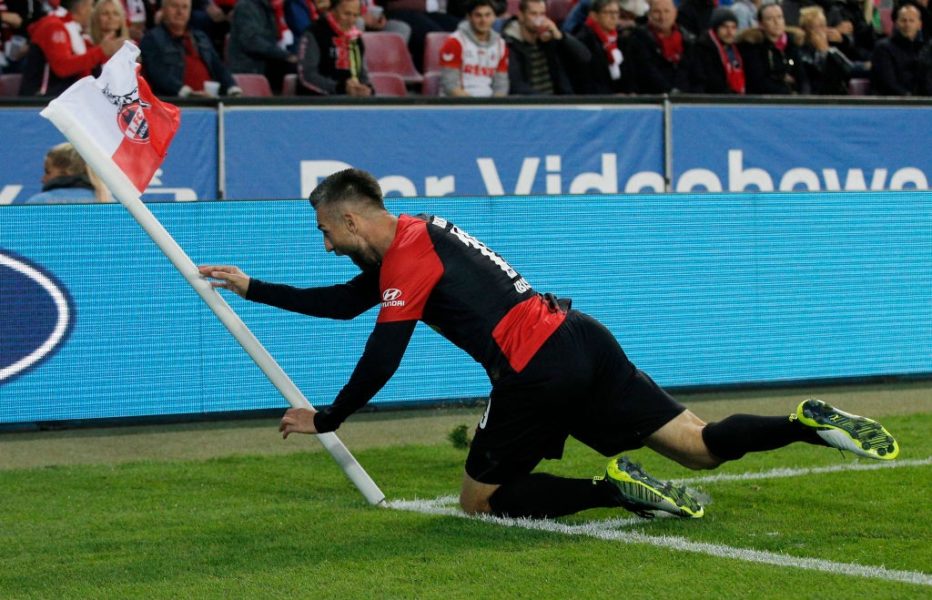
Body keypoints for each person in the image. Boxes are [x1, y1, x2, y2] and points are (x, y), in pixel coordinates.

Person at [199, 168, 900, 521]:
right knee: (699, 443)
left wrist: (329, 417)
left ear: (351, 217)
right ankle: (802, 423)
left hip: (534, 368)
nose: (324, 245)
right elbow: (344, 304)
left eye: (325, 232)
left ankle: (612, 486)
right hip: (581, 337)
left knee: (479, 500)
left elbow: (382, 353)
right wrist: (252, 286)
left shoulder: (406, 261)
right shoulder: (416, 236)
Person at [19, 0, 123, 96]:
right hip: (38, 102)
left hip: (61, 101)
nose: (92, 11)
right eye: (91, 6)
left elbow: (87, 63)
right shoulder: (53, 26)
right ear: (81, 8)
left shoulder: (73, 29)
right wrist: (101, 51)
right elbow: (62, 67)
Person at [139, 0, 241, 97]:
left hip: (210, 101)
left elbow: (219, 67)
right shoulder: (152, 39)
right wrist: (186, 92)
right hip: (175, 105)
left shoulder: (201, 37)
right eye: (174, 6)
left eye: (185, 7)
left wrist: (232, 87)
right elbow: (158, 74)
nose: (180, 12)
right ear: (163, 10)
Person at [502, 0, 590, 95]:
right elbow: (517, 85)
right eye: (533, 14)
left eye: (542, 14)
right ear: (521, 16)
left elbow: (585, 58)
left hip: (559, 101)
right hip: (532, 104)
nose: (539, 19)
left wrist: (560, 36)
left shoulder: (549, 39)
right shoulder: (509, 42)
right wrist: (547, 102)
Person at [295, 0, 373, 95]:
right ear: (332, 11)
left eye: (355, 15)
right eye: (346, 14)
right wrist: (339, 88)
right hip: (317, 102)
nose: (351, 20)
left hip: (349, 100)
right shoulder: (314, 33)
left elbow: (362, 75)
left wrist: (367, 89)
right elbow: (307, 76)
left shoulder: (355, 38)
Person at [439, 0, 508, 97]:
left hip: (489, 104)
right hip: (459, 104)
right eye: (478, 15)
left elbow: (501, 85)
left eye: (487, 15)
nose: (483, 20)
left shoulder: (500, 44)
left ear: (494, 17)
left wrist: (493, 106)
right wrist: (474, 105)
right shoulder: (455, 42)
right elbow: (450, 85)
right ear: (469, 17)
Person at [226, 0, 297, 92]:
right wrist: (285, 55)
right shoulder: (246, 6)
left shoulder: (269, 7)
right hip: (250, 68)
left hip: (267, 65)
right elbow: (251, 41)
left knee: (300, 71)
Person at [625, 0, 694, 93]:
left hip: (686, 99)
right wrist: (671, 92)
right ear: (649, 15)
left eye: (667, 11)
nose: (662, 17)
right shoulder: (638, 39)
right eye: (657, 12)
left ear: (675, 13)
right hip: (652, 98)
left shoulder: (688, 40)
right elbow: (647, 71)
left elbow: (693, 73)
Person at [738, 1, 807, 94]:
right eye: (770, 19)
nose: (776, 22)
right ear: (761, 24)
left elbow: (802, 78)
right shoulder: (752, 47)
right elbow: (758, 81)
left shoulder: (791, 44)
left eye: (779, 17)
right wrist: (786, 85)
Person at [572, 0, 633, 94]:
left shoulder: (621, 39)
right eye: (608, 12)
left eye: (616, 12)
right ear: (594, 16)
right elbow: (587, 78)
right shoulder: (585, 40)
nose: (613, 17)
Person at [25, 142, 110, 204]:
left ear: (66, 172)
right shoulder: (110, 202)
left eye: (48, 172)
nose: (43, 179)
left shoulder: (38, 203)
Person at [798, 5, 854, 94]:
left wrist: (829, 50)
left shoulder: (831, 49)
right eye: (818, 27)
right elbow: (817, 76)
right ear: (807, 30)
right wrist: (823, 51)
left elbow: (849, 69)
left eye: (824, 25)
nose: (824, 31)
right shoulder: (801, 52)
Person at [870, 2, 924, 95]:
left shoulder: (925, 48)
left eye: (911, 21)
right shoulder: (883, 48)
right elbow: (888, 83)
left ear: (919, 25)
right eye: (903, 20)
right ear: (896, 24)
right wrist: (912, 99)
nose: (907, 24)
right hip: (891, 103)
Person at [689, 6, 746, 94]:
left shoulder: (738, 49)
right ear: (715, 28)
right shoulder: (703, 49)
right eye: (725, 27)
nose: (730, 32)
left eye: (733, 28)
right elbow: (712, 82)